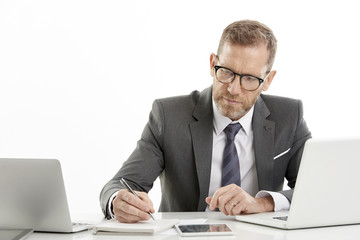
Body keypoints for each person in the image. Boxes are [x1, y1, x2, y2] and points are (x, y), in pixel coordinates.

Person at [100, 19, 311, 223]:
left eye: (249, 78)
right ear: (213, 64)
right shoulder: (169, 116)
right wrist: (118, 201)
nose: (233, 89)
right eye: (227, 72)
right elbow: (120, 184)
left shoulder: (289, 117)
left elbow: (318, 188)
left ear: (268, 80)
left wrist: (262, 203)